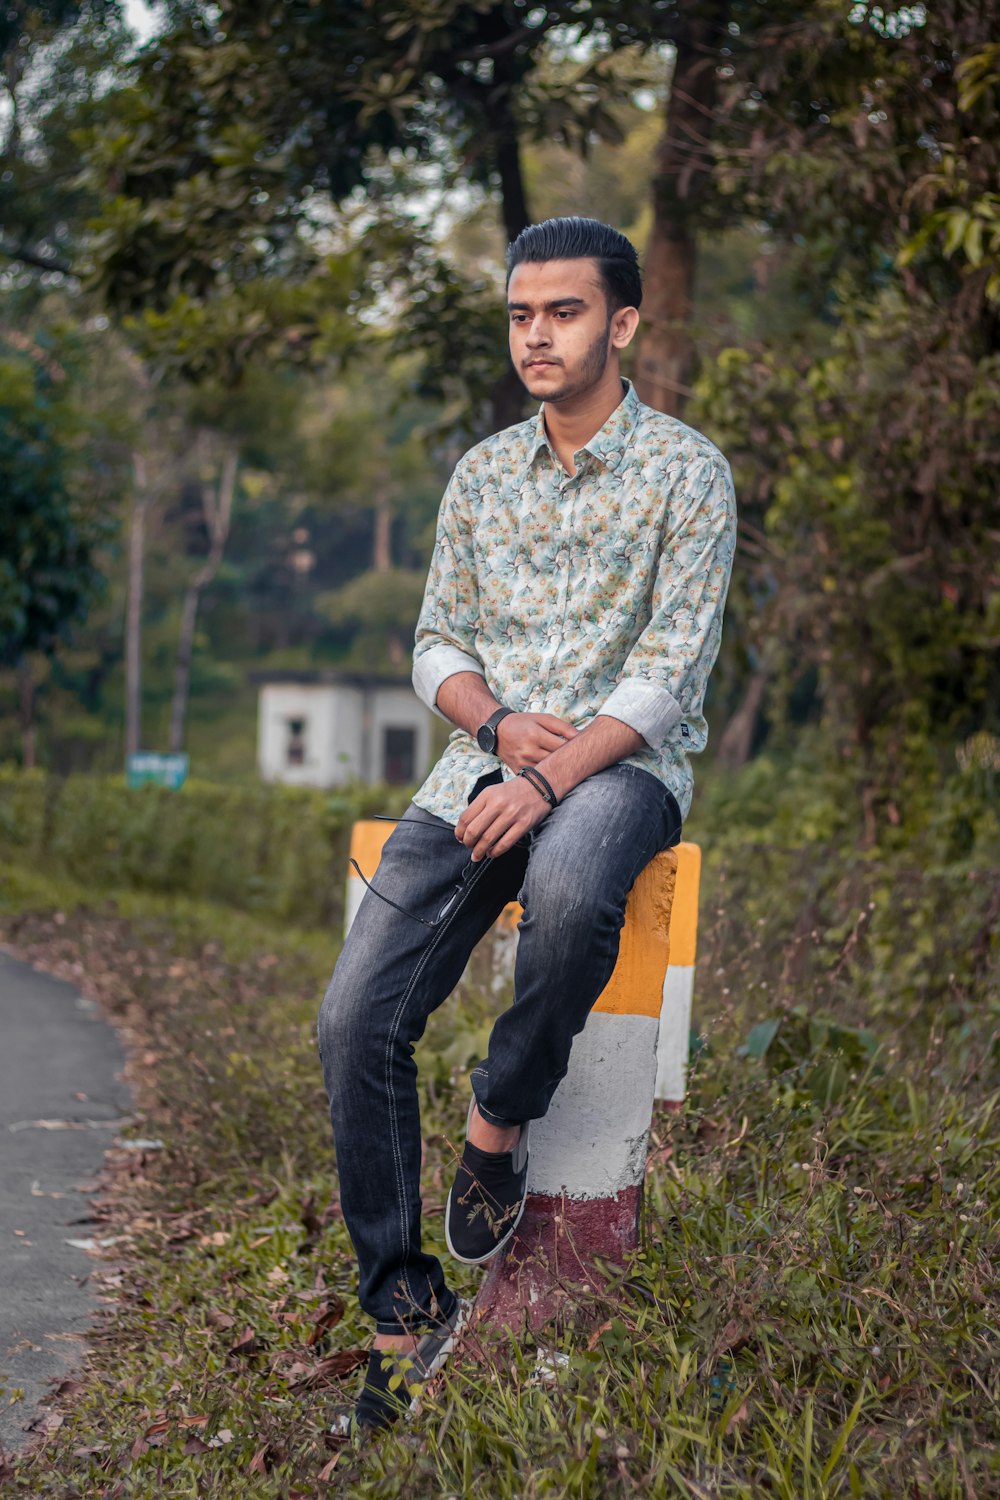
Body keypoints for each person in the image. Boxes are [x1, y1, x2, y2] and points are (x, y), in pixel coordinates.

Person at [318, 216, 737, 1433]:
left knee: (566, 888)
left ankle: (496, 1123)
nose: (536, 336)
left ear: (622, 324)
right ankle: (405, 1316)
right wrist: (497, 729)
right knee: (353, 1021)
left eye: (561, 312)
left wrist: (550, 780)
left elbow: (668, 675)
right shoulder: (482, 476)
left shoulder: (685, 471)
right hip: (479, 766)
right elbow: (433, 643)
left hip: (621, 772)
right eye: (519, 315)